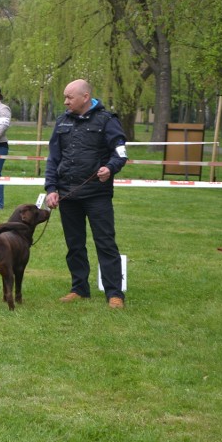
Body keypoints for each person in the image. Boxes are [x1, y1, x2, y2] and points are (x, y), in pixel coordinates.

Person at [44, 79, 128, 309]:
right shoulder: (62, 121)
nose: (65, 101)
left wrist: (110, 168)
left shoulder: (107, 121)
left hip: (97, 194)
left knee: (105, 243)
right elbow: (53, 159)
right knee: (75, 244)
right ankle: (79, 288)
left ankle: (114, 293)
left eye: (70, 97)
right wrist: (51, 189)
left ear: (85, 97)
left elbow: (120, 153)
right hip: (68, 194)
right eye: (65, 97)